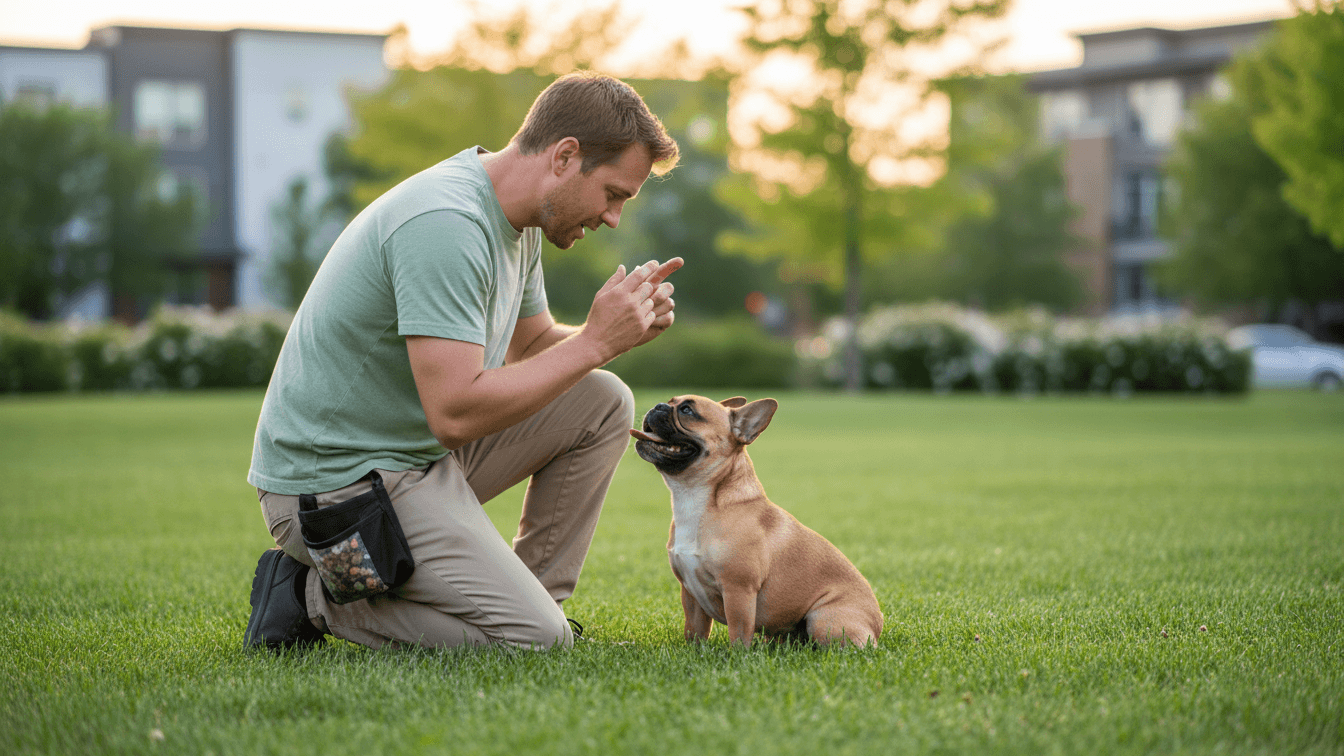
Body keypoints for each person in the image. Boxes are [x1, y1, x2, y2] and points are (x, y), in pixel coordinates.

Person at [242, 71, 681, 652]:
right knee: (535, 642)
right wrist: (595, 341)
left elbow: (532, 346)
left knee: (602, 400)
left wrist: (614, 334)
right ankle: (308, 596)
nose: (613, 218)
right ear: (565, 157)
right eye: (614, 194)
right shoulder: (446, 224)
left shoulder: (517, 220)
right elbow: (454, 412)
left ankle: (534, 603)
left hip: (413, 457)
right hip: (336, 489)